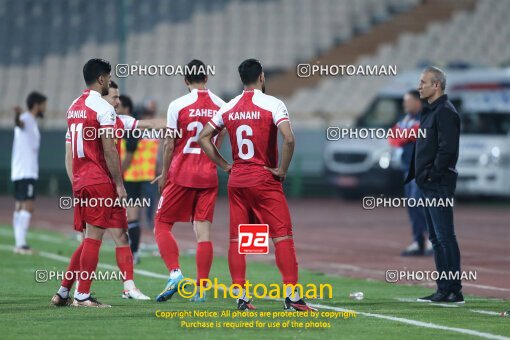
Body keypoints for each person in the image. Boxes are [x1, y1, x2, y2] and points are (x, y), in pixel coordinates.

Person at [198, 58, 316, 312]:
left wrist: (225, 165)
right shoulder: (273, 104)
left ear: (243, 79)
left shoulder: (228, 107)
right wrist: (282, 170)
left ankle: (241, 297)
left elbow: (203, 137)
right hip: (264, 179)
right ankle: (293, 297)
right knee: (282, 237)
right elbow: (289, 139)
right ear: (261, 77)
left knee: (238, 241)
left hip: (238, 180)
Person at [50, 59, 132, 307]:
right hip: (98, 179)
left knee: (88, 238)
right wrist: (119, 184)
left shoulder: (73, 106)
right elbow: (110, 151)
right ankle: (82, 295)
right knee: (94, 238)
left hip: (81, 179)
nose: (109, 81)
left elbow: (69, 151)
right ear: (101, 79)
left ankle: (64, 291)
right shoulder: (103, 109)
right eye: (108, 77)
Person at [154, 59, 226, 303]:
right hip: (208, 175)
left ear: (185, 81)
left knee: (162, 224)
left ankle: (175, 273)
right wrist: (216, 159)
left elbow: (168, 143)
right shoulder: (221, 105)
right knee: (203, 233)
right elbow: (221, 135)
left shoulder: (177, 105)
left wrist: (164, 174)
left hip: (181, 173)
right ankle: (202, 288)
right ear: (206, 78)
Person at [405, 66, 463, 303]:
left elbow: (447, 150)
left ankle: (453, 290)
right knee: (437, 239)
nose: (419, 86)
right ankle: (444, 288)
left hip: (437, 184)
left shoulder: (445, 112)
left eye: (423, 82)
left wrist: (430, 175)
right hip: (428, 183)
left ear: (436, 85)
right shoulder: (430, 111)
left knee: (445, 236)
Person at [388, 90, 432, 256]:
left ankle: (430, 240)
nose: (405, 104)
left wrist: (405, 135)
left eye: (408, 101)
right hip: (407, 168)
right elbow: (393, 137)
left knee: (420, 203)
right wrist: (405, 135)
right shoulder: (406, 120)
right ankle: (418, 240)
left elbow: (415, 133)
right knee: (412, 205)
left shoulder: (426, 118)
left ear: (418, 102)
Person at [119, 94, 160, 264]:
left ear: (127, 109)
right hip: (144, 175)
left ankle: (133, 251)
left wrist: (118, 174)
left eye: (119, 106)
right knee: (137, 215)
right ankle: (133, 251)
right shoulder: (138, 127)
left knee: (135, 216)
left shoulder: (130, 127)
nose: (115, 108)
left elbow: (129, 153)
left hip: (132, 176)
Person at [11, 92, 47, 255]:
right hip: (26, 171)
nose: (45, 108)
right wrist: (17, 114)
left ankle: (19, 243)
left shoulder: (32, 121)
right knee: (28, 206)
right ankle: (22, 244)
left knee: (20, 206)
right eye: (43, 104)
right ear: (36, 105)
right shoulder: (26, 118)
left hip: (21, 170)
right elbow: (18, 123)